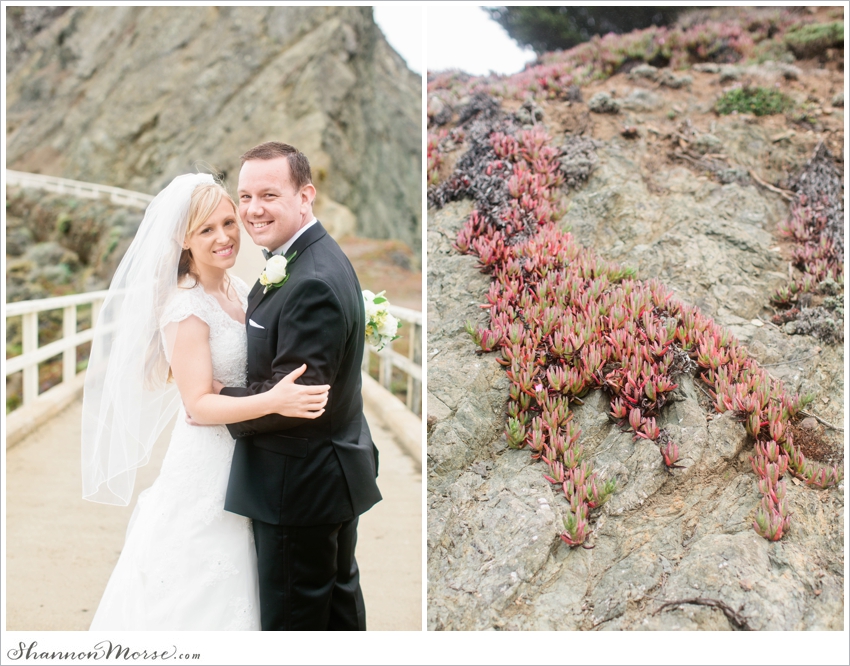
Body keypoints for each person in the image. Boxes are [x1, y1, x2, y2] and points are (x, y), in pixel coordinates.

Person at [81, 173, 328, 630]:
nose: (225, 237)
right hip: (207, 466)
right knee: (202, 581)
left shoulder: (238, 287)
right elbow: (197, 406)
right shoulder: (187, 306)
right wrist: (275, 400)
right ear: (184, 240)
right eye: (207, 230)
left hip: (249, 456)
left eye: (229, 223)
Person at [216, 142, 382, 631]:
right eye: (244, 196)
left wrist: (212, 402)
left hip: (298, 485)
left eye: (269, 194)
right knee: (334, 607)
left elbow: (298, 399)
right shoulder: (309, 256)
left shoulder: (310, 278)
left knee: (295, 622)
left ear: (305, 196)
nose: (253, 209)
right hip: (327, 473)